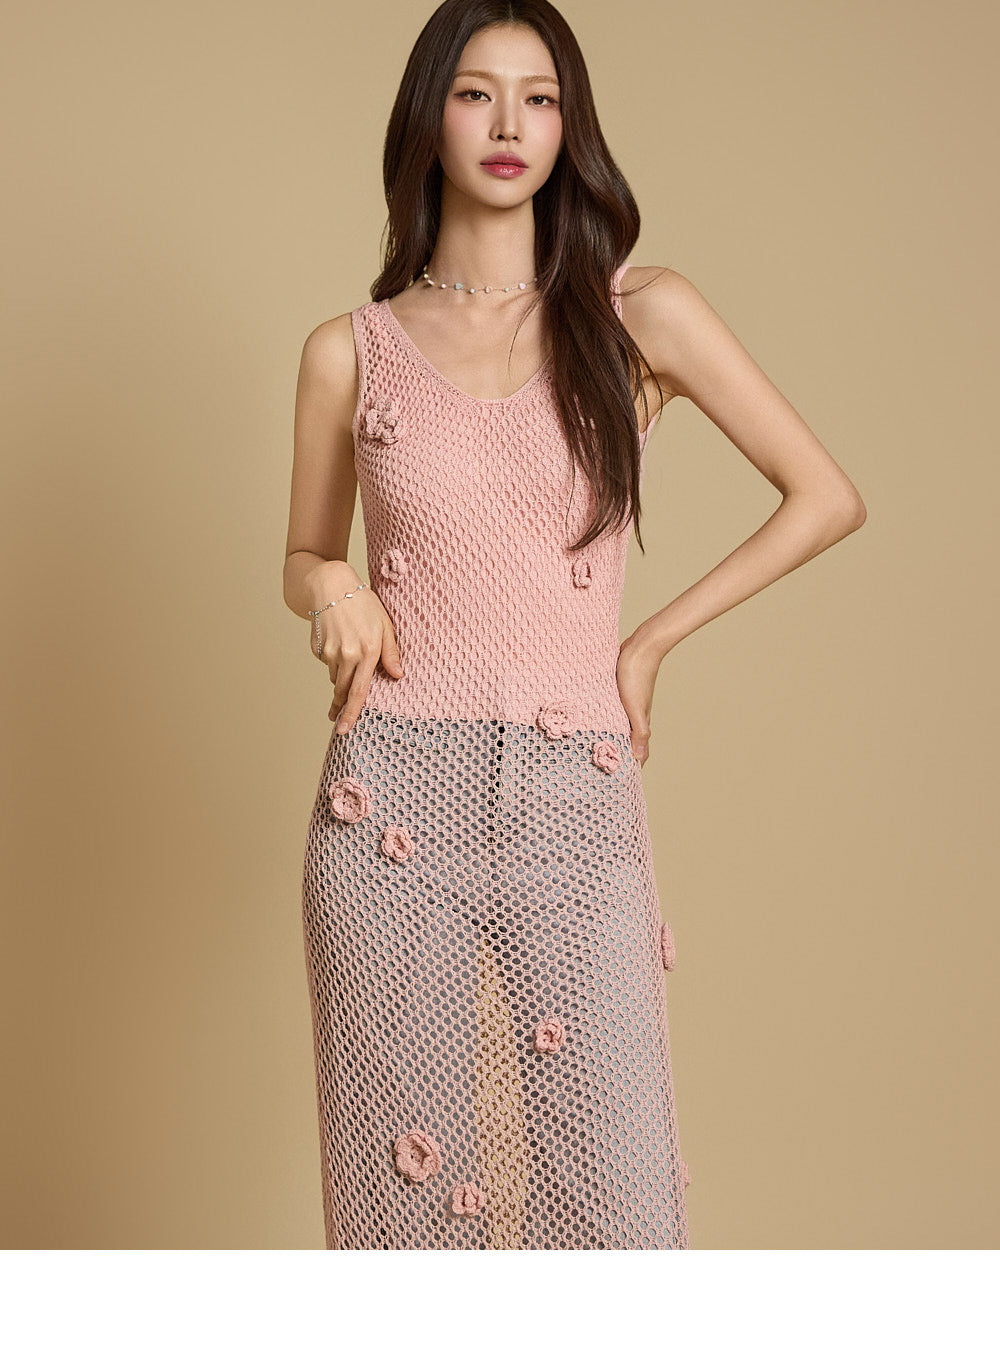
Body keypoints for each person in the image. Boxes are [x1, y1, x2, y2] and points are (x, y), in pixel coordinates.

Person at [282, 0, 866, 1251]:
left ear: (568, 127)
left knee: (613, 1210)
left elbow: (824, 496)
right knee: (408, 1221)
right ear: (428, 117)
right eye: (475, 93)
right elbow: (304, 554)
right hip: (390, 800)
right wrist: (332, 588)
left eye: (538, 98)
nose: (508, 123)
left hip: (573, 791)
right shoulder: (351, 350)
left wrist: (644, 645)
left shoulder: (637, 314)